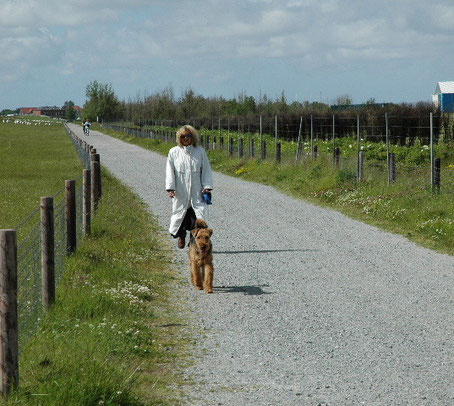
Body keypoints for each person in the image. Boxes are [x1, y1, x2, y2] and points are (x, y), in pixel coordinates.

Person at [166, 125, 213, 249]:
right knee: (180, 216)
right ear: (179, 138)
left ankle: (194, 242)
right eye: (183, 136)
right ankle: (181, 237)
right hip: (181, 191)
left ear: (193, 137)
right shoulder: (174, 152)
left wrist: (207, 186)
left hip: (196, 191)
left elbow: (206, 170)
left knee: (196, 218)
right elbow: (170, 171)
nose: (186, 138)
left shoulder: (200, 152)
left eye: (189, 136)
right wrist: (171, 188)